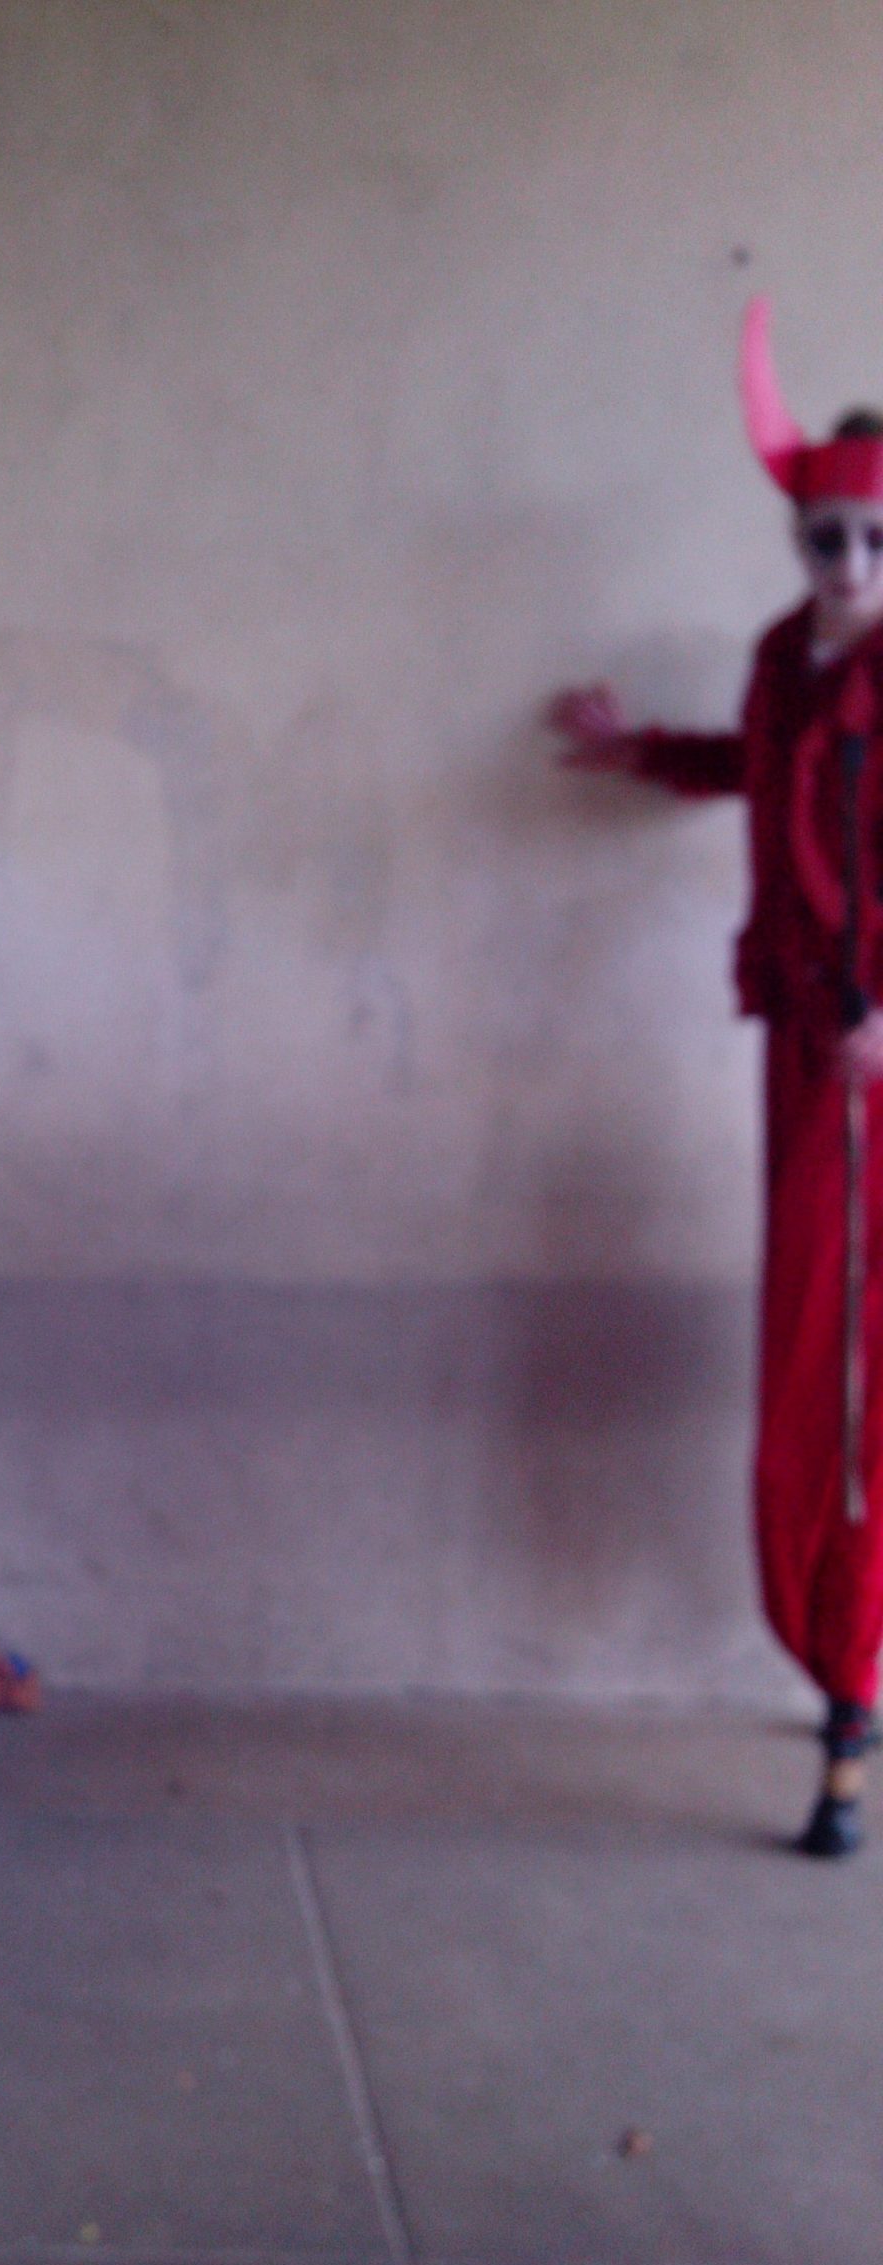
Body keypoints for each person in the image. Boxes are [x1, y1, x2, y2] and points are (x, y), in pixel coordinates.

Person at [551, 298, 883, 1856]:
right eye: (829, 538)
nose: (853, 566)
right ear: (797, 539)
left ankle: (850, 1691)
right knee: (804, 1346)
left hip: (875, 1062)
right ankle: (832, 1647)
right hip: (804, 1051)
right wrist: (644, 755)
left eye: (876, 541)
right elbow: (760, 767)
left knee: (861, 1372)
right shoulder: (781, 660)